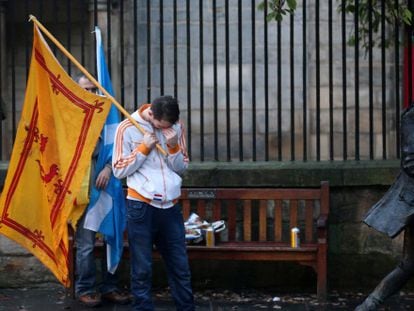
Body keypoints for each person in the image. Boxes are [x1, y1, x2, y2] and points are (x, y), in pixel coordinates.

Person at [112, 95, 195, 311]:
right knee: (142, 268)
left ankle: (186, 308)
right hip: (141, 205)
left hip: (170, 206)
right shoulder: (127, 128)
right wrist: (143, 149)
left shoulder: (176, 127)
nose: (165, 129)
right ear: (152, 115)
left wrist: (174, 145)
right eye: (161, 125)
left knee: (180, 265)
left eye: (170, 125)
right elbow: (118, 169)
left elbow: (180, 167)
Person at [75, 75, 131, 307]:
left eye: (94, 89)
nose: (91, 93)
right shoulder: (73, 117)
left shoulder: (111, 119)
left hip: (107, 187)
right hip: (84, 191)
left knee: (112, 238)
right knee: (86, 244)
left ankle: (110, 287)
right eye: (85, 89)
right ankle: (85, 288)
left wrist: (108, 168)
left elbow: (121, 151)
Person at [355, 105, 414, 311]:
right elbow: (410, 162)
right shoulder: (412, 116)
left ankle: (368, 306)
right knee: (408, 265)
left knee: (409, 265)